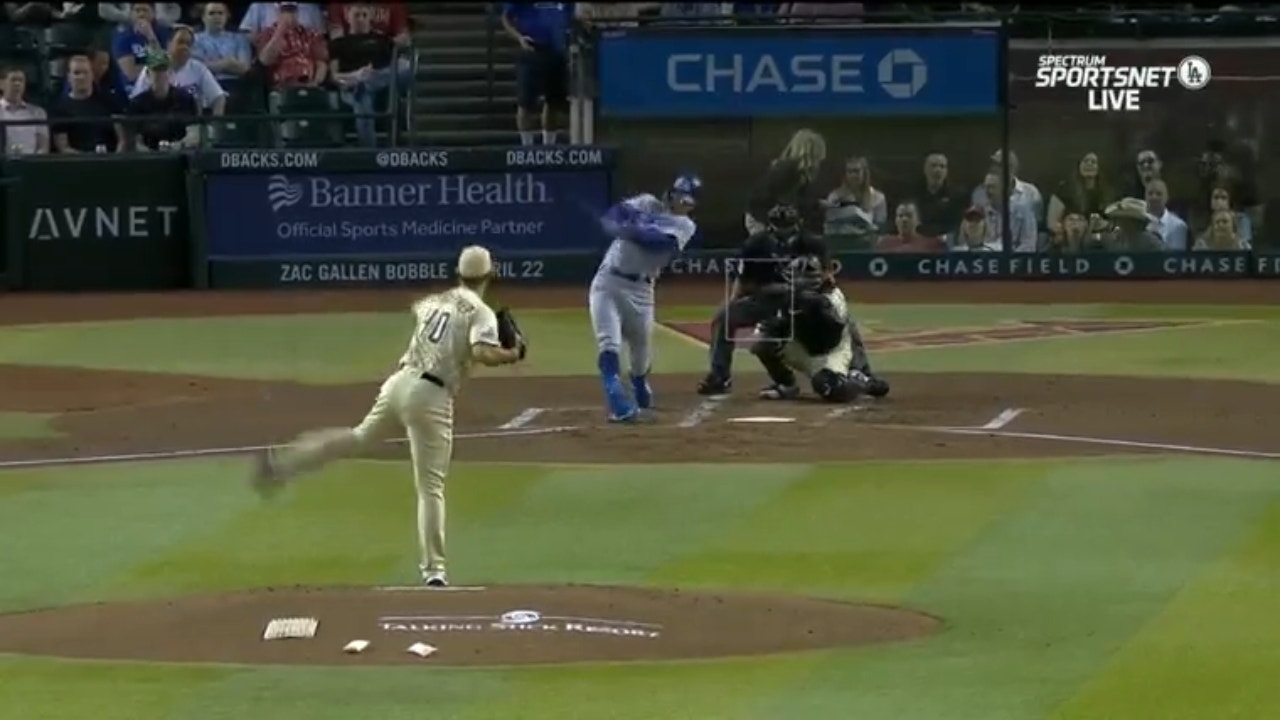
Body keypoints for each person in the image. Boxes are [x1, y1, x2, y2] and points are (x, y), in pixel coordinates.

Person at [251, 245, 526, 588]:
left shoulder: (434, 301)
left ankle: (284, 463)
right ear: (489, 275)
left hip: (398, 383)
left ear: (459, 273)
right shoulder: (482, 312)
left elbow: (421, 310)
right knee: (431, 487)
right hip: (430, 396)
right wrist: (511, 353)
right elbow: (482, 352)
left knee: (358, 438)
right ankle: (434, 571)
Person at [588, 174, 700, 421]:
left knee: (641, 353)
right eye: (677, 195)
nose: (679, 202)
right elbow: (611, 217)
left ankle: (639, 383)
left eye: (686, 199)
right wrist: (622, 225)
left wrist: (632, 229)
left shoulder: (685, 226)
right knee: (609, 343)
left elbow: (658, 243)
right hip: (608, 282)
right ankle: (617, 400)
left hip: (642, 291)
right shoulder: (647, 202)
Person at [501, 1, 571, 146]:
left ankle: (549, 146)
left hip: (557, 51)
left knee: (553, 103)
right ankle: (527, 147)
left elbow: (572, 14)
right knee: (526, 103)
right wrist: (519, 38)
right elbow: (506, 17)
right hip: (532, 49)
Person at [50, 54, 126, 153]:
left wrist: (114, 160)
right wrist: (88, 160)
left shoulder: (110, 101)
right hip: (79, 164)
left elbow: (123, 139)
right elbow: (63, 147)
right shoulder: (59, 108)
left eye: (86, 72)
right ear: (69, 77)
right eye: (77, 73)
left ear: (92, 75)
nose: (82, 77)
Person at [125, 52, 199, 150]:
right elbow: (134, 140)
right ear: (147, 74)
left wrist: (178, 147)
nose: (159, 74)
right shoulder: (136, 103)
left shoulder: (186, 99)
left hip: (180, 154)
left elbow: (194, 134)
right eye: (155, 70)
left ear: (170, 73)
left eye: (163, 70)